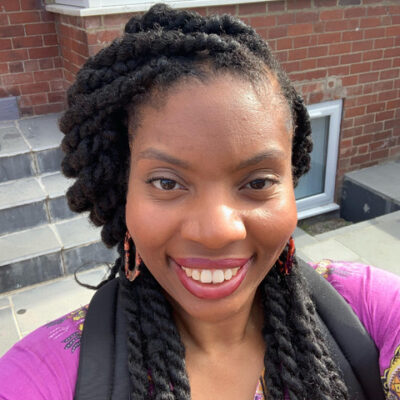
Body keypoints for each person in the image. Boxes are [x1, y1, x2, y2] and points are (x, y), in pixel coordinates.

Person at [0, 4, 399, 400]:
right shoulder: (40, 376)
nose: (216, 231)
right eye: (167, 182)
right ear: (124, 193)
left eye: (258, 181)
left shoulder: (369, 311)